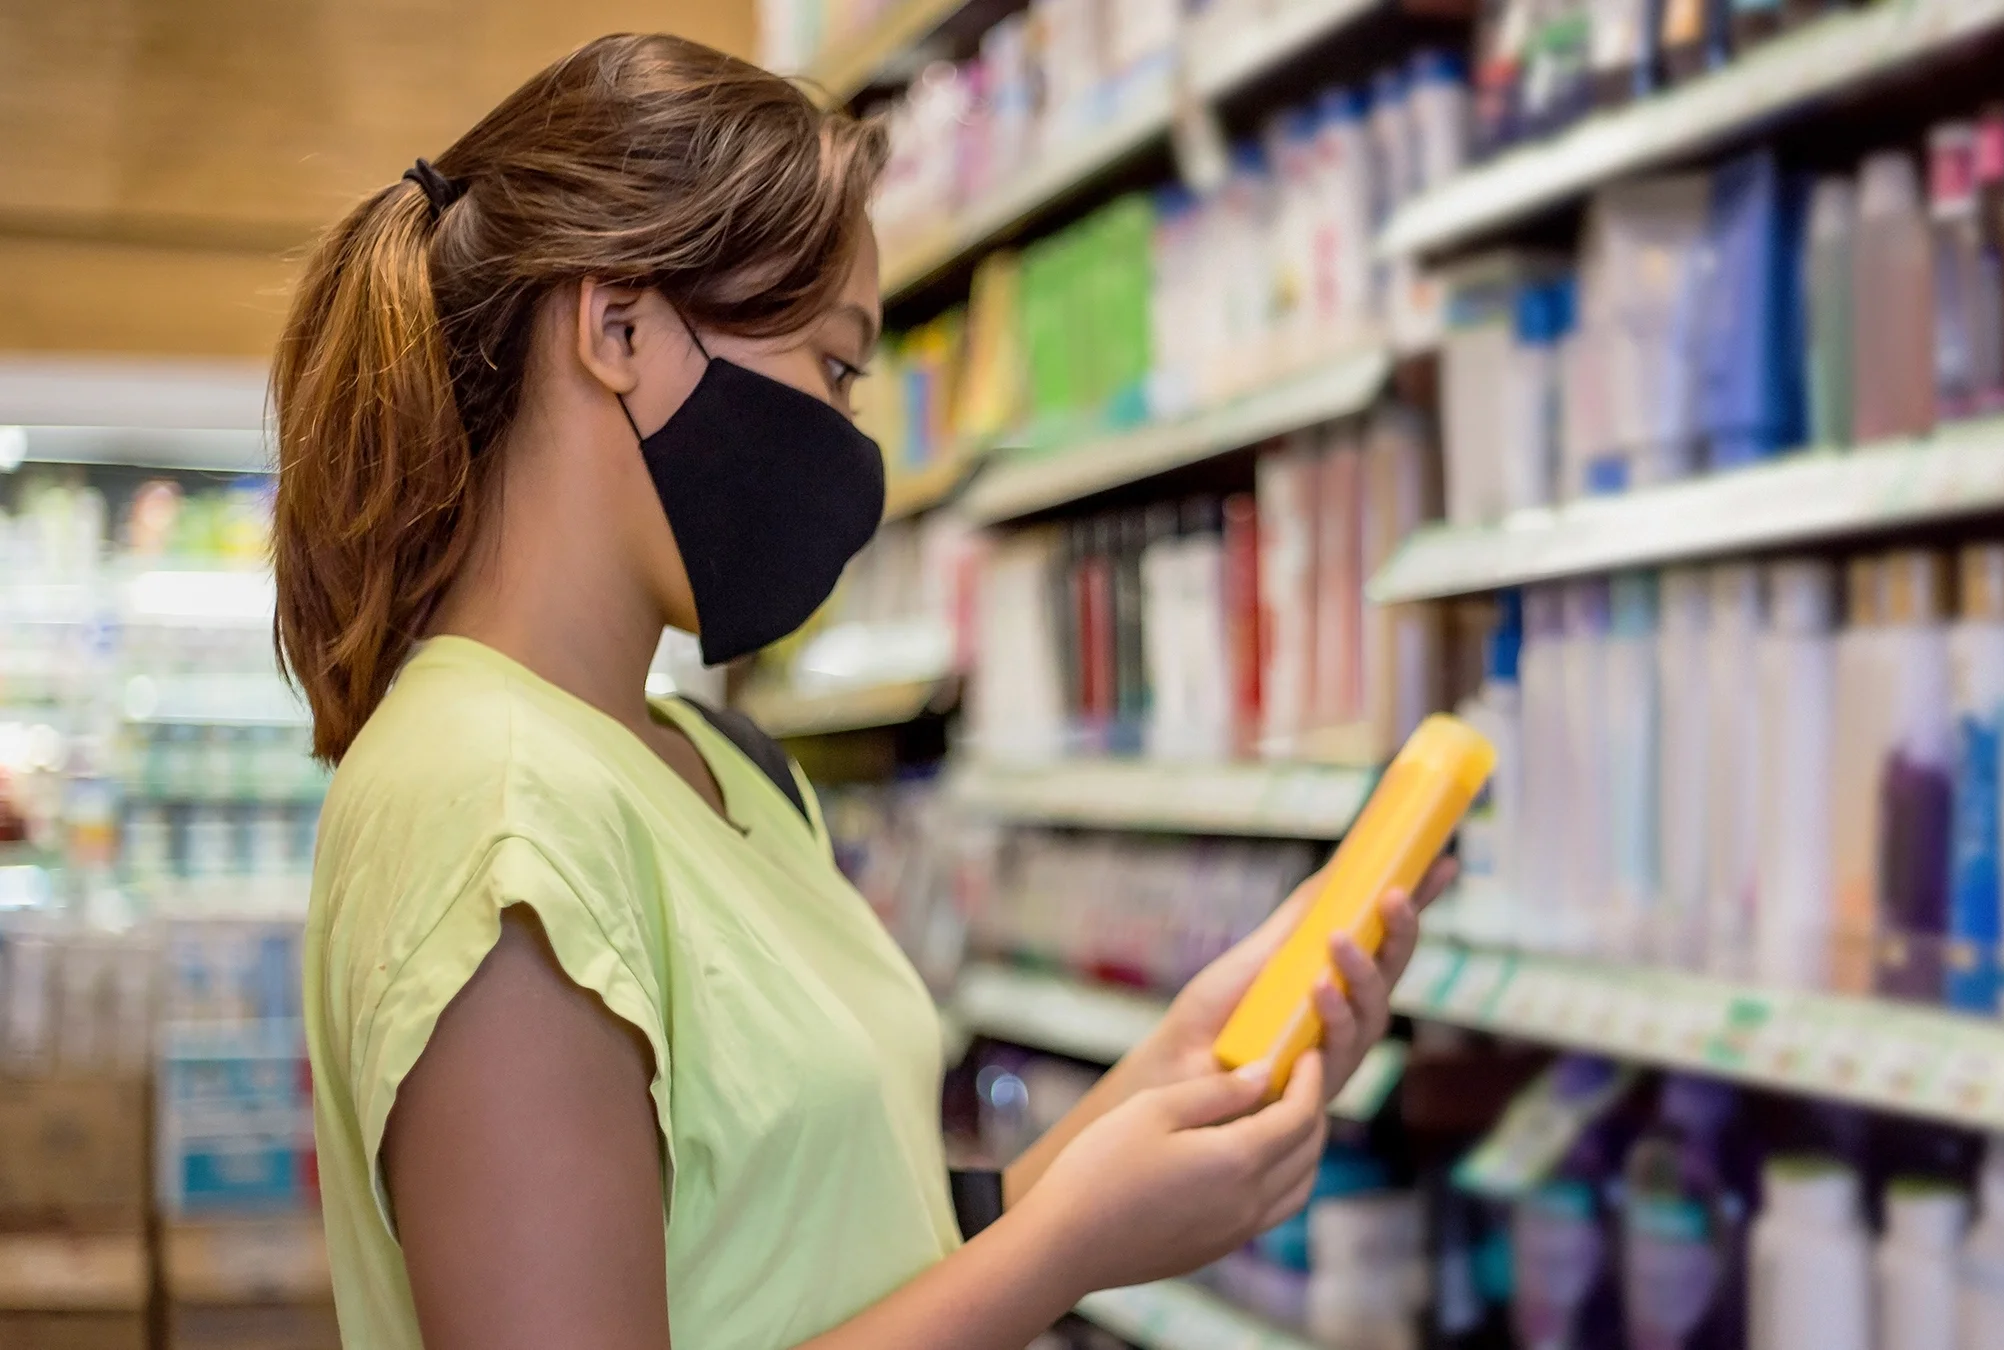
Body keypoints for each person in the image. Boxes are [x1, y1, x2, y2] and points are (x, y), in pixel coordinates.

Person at [274, 31, 1451, 1350]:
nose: (850, 438)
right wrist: (1066, 1250)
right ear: (616, 328)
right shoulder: (486, 807)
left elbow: (838, 1246)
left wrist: (1168, 1080)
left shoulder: (712, 765)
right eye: (834, 367)